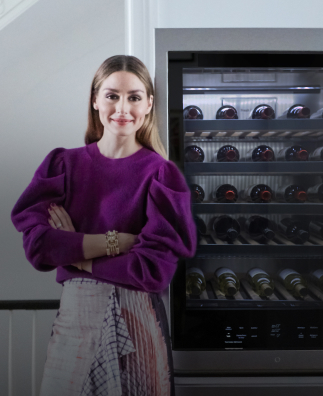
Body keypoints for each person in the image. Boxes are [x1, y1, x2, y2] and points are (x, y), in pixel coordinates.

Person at [10, 55, 197, 396]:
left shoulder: (162, 174)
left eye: (134, 97)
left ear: (149, 104)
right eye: (112, 95)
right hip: (74, 325)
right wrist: (116, 243)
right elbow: (38, 249)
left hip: (137, 320)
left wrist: (75, 252)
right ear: (95, 100)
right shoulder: (62, 165)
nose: (122, 107)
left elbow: (152, 270)